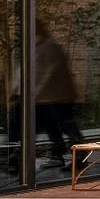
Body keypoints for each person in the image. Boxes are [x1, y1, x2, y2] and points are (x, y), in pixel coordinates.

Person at [33, 23, 84, 166]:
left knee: (66, 126)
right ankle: (58, 155)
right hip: (47, 97)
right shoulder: (38, 48)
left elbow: (50, 73)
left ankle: (79, 156)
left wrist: (35, 91)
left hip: (59, 97)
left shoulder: (49, 47)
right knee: (52, 127)